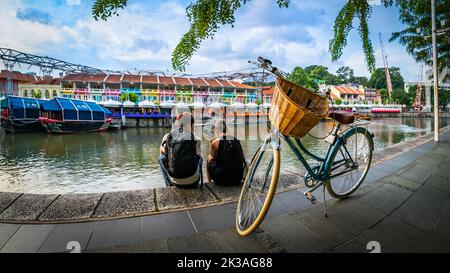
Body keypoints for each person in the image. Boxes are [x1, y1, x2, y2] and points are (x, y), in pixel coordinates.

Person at [159, 112, 202, 188]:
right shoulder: (196, 139)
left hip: (175, 182)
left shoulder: (167, 137)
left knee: (161, 157)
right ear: (189, 125)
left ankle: (169, 186)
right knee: (200, 157)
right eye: (193, 125)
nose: (193, 127)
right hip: (193, 181)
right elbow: (197, 157)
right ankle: (200, 182)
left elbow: (162, 151)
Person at [207, 119, 245, 185]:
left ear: (216, 130)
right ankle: (245, 179)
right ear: (226, 128)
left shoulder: (215, 142)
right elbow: (243, 157)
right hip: (238, 178)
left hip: (221, 179)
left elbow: (213, 159)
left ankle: (209, 182)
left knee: (209, 157)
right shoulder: (236, 139)